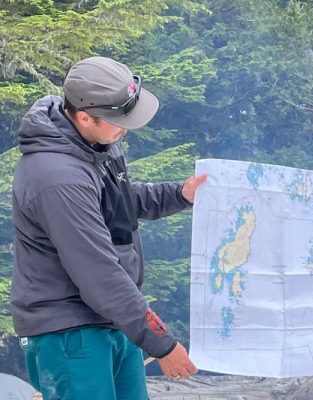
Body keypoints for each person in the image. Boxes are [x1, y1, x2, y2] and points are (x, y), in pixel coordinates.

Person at [11, 56, 206, 399]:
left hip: (111, 319)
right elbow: (99, 273)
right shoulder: (57, 178)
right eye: (118, 120)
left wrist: (180, 194)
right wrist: (161, 343)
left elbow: (119, 200)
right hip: (70, 332)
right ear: (84, 116)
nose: (125, 128)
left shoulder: (94, 141)